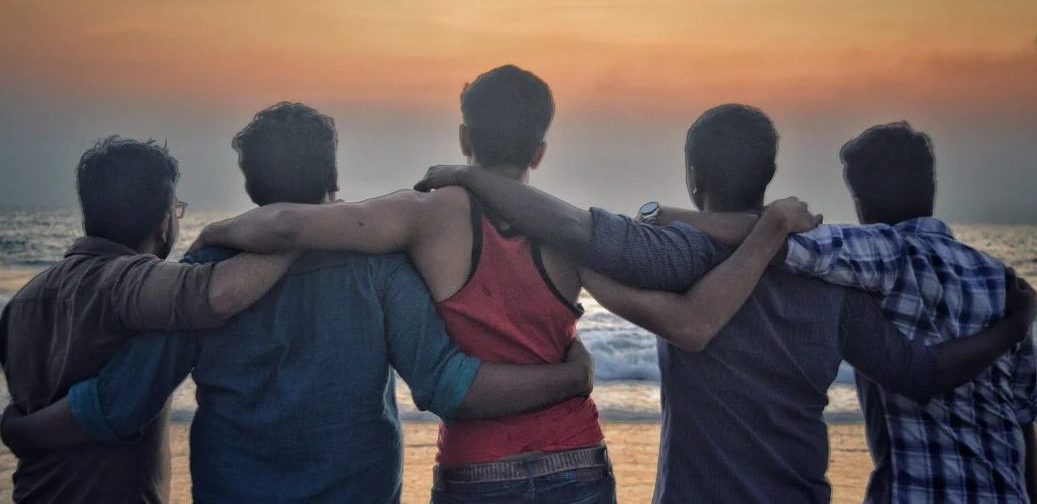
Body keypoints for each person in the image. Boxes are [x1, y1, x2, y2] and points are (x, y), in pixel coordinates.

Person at [182, 67, 820, 504]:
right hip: (576, 462)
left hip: (476, 471)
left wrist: (212, 237)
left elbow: (290, 223)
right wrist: (768, 232)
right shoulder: (570, 233)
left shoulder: (422, 216)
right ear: (540, 151)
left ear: (464, 137)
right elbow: (691, 324)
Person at [411, 103, 1037, 503]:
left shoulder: (673, 255)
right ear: (770, 174)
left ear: (692, 175)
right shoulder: (835, 281)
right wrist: (1014, 323)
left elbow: (574, 228)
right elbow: (917, 373)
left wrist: (472, 178)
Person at [1, 103, 599, 504]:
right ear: (332, 182)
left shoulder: (207, 269)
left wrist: (22, 429)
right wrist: (566, 376)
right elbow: (445, 383)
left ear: (250, 186)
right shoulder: (378, 266)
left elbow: (126, 397)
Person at [0, 136, 297, 503]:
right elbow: (218, 294)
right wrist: (297, 237)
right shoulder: (124, 280)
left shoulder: (22, 302)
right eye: (176, 209)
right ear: (163, 223)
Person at [778, 122, 1037, 503]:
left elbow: (781, 245)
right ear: (929, 187)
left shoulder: (885, 254)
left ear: (863, 202)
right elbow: (1023, 418)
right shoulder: (1002, 281)